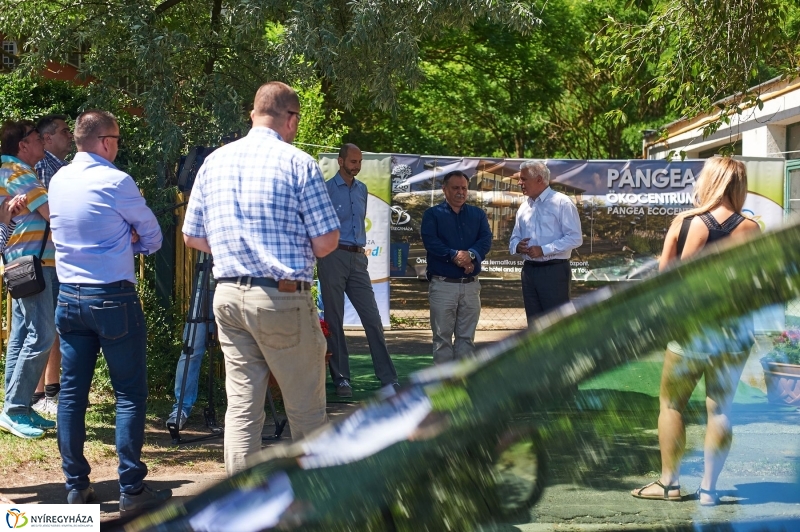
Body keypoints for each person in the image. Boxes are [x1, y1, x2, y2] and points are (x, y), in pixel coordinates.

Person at [182, 81, 340, 476]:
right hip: (281, 298)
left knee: (242, 409)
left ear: (253, 114)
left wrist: (236, 249)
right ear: (291, 119)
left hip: (229, 296)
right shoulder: (297, 162)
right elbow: (326, 242)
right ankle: (313, 504)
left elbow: (191, 236)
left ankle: (243, 506)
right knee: (305, 409)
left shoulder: (213, 162)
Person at [48, 109, 170, 510]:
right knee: (130, 394)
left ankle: (75, 485)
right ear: (104, 141)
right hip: (113, 297)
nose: (118, 147)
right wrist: (129, 243)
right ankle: (131, 490)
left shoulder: (59, 179)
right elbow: (152, 234)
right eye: (116, 139)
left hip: (70, 298)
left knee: (71, 396)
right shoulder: (117, 181)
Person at [630, 157, 760, 506]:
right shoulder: (751, 227)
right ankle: (708, 491)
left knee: (672, 405)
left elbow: (663, 281)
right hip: (733, 333)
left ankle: (669, 484)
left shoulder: (685, 223)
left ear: (710, 182)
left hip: (690, 331)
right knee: (720, 411)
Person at [318, 143, 398, 397]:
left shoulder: (362, 189)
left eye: (360, 162)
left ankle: (388, 378)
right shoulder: (327, 189)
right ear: (340, 161)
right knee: (334, 319)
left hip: (358, 258)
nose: (357, 166)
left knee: (372, 319)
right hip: (332, 257)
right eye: (353, 161)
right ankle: (342, 379)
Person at [0, 120, 57, 440]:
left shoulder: (15, 170)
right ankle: (16, 408)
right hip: (32, 264)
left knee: (23, 335)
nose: (43, 143)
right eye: (37, 139)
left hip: (27, 262)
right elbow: (52, 212)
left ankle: (16, 407)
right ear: (23, 145)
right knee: (42, 334)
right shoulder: (18, 172)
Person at [420, 170, 491, 364]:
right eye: (455, 188)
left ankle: (463, 381)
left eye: (464, 188)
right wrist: (455, 256)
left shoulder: (477, 215)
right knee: (442, 338)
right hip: (443, 286)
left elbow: (485, 240)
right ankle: (443, 384)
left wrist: (471, 256)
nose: (460, 192)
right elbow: (431, 242)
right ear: (444, 189)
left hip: (471, 286)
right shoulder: (433, 214)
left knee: (466, 338)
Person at [31, 114, 74, 417]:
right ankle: (36, 395)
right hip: (43, 258)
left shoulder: (59, 167)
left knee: (51, 326)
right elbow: (53, 210)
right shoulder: (44, 166)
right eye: (63, 131)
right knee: (43, 327)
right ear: (46, 139)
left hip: (53, 257)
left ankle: (48, 391)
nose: (69, 135)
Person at [509, 160, 582, 325]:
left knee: (557, 325)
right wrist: (517, 246)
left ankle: (560, 352)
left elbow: (575, 237)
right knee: (535, 326)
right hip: (529, 272)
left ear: (539, 179)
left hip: (554, 272)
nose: (520, 183)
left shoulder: (562, 202)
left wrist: (544, 250)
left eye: (523, 179)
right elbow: (514, 238)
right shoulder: (523, 207)